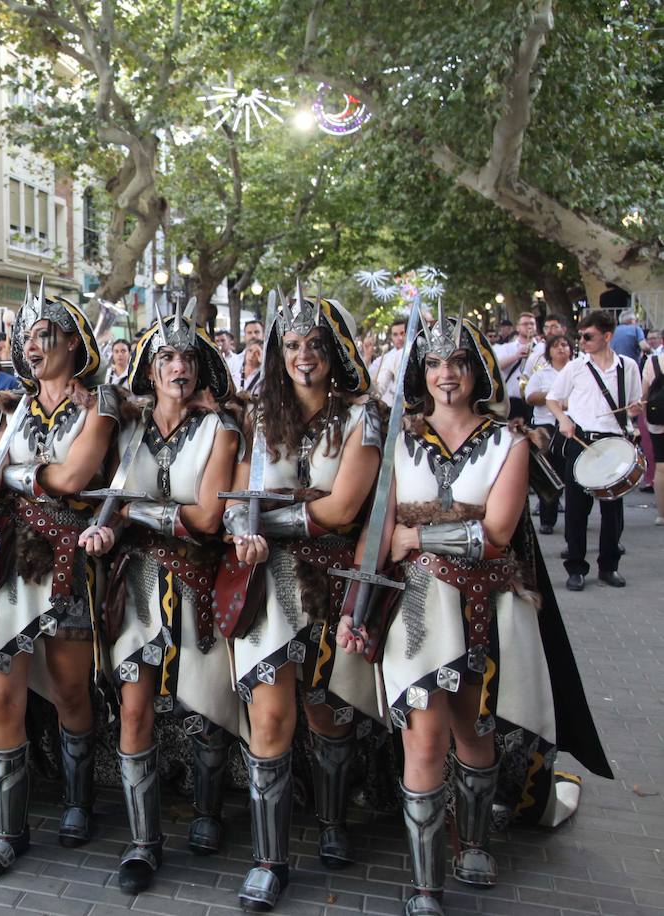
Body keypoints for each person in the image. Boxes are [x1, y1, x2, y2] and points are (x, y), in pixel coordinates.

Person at [340, 313, 612, 916]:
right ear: (422, 371)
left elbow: (494, 536)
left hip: (487, 607)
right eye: (434, 363)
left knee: (475, 732)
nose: (445, 375)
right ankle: (424, 883)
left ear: (476, 370)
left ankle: (475, 842)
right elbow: (378, 531)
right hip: (413, 609)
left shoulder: (509, 441)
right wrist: (355, 606)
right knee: (425, 740)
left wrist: (416, 539)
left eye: (457, 363)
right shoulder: (398, 438)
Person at [0, 294, 114, 880]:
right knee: (1, 694)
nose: (32, 347)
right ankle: (10, 831)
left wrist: (10, 477)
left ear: (71, 341)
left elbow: (73, 477)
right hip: (7, 563)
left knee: (68, 694)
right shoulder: (2, 408)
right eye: (24, 337)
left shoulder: (102, 405)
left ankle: (78, 800)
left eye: (43, 335)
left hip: (68, 565)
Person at [78, 304, 244, 894]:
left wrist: (130, 514)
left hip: (199, 580)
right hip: (138, 584)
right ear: (149, 369)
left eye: (188, 357)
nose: (179, 366)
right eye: (167, 357)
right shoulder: (125, 431)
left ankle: (207, 812)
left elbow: (205, 519)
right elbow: (108, 501)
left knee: (205, 707)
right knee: (134, 707)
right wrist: (107, 527)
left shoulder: (223, 430)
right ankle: (143, 842)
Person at [223, 294, 381, 912]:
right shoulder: (259, 417)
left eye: (314, 344)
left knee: (327, 713)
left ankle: (334, 820)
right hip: (266, 579)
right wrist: (244, 528)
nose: (303, 356)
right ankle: (269, 860)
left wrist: (273, 518)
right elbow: (238, 499)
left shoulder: (363, 420)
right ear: (276, 355)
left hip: (334, 583)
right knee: (270, 718)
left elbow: (343, 511)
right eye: (291, 346)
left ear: (334, 351)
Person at [547, 310, 644, 590]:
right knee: (577, 510)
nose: (582, 341)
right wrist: (564, 420)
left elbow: (633, 406)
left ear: (607, 336)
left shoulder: (628, 367)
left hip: (615, 443)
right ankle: (576, 568)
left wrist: (634, 412)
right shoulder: (576, 367)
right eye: (580, 336)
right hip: (582, 441)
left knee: (613, 512)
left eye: (588, 336)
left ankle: (609, 566)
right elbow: (554, 399)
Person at [524, 333, 573, 533]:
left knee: (572, 473)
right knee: (549, 473)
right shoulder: (542, 374)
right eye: (556, 346)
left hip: (572, 425)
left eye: (564, 345)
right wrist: (553, 398)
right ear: (549, 352)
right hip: (547, 426)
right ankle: (547, 518)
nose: (561, 348)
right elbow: (530, 396)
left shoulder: (578, 371)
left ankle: (576, 518)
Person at [494, 311, 542, 424]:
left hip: (536, 402)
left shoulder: (542, 348)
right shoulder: (505, 348)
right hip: (513, 401)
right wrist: (516, 356)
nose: (529, 327)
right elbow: (495, 367)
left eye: (532, 324)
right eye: (525, 324)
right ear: (518, 328)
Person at [642, 351, 664, 522]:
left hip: (658, 421)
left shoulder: (653, 362)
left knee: (661, 467)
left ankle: (662, 515)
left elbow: (644, 396)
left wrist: (646, 421)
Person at [373, 315, 409, 407]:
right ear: (391, 337)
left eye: (403, 333)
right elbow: (379, 388)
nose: (400, 338)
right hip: (397, 409)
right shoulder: (388, 358)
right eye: (395, 334)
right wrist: (374, 388)